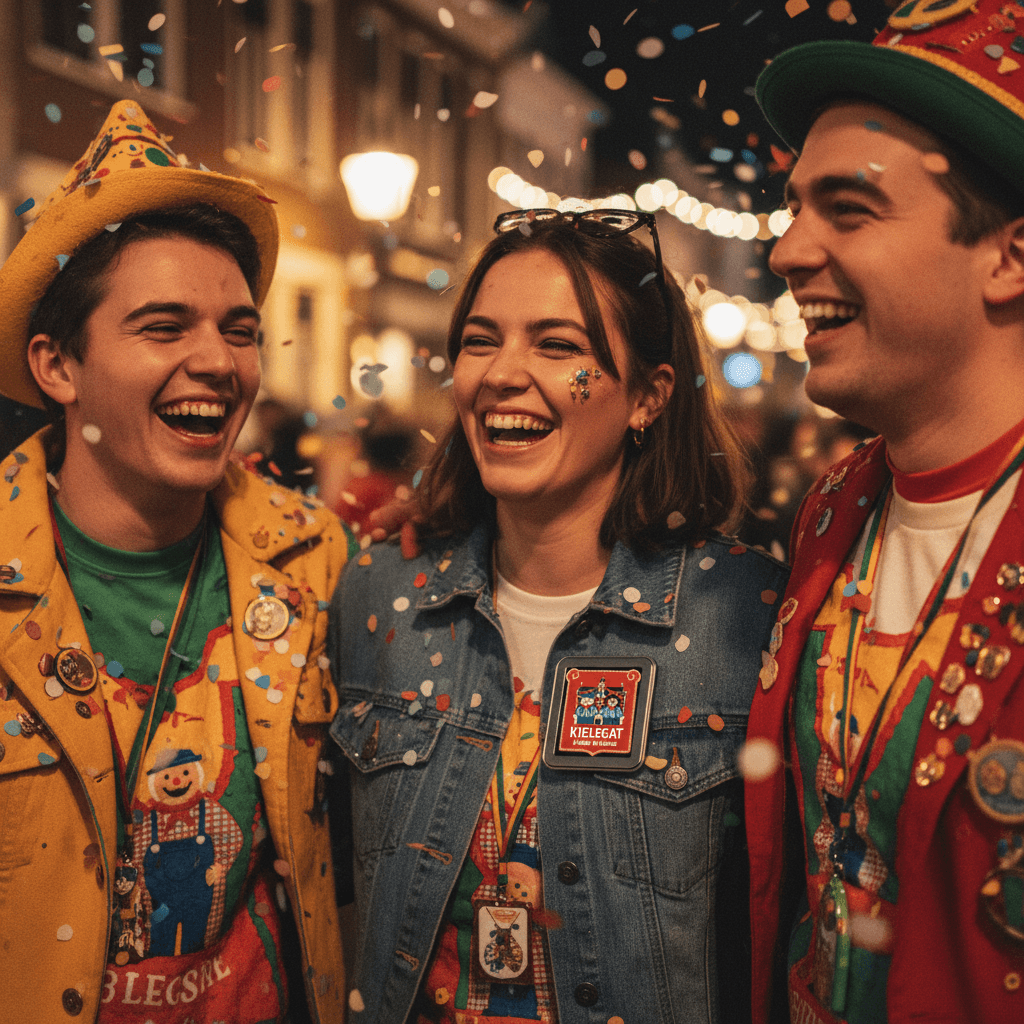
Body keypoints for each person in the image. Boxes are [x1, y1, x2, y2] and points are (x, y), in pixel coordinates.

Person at [328, 207, 788, 1023]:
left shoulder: (744, 616)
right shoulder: (378, 596)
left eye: (557, 345)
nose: (504, 372)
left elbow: (777, 931)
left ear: (648, 395)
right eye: (480, 340)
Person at [0, 100, 350, 1022]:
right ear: (58, 366)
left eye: (239, 329)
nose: (219, 362)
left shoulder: (316, 561)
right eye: (164, 326)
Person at [746, 3, 1024, 1021]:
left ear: (1008, 255)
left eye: (848, 210)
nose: (785, 251)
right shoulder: (831, 508)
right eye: (792, 207)